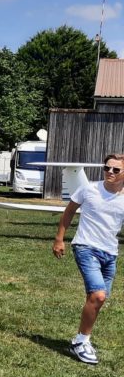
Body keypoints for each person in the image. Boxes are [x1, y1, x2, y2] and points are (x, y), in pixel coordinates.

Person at [53, 153, 124, 365]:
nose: (110, 172)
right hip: (85, 247)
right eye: (107, 168)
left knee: (96, 299)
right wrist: (59, 239)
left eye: (116, 169)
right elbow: (68, 212)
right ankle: (81, 342)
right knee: (98, 296)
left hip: (110, 253)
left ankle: (80, 339)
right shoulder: (89, 189)